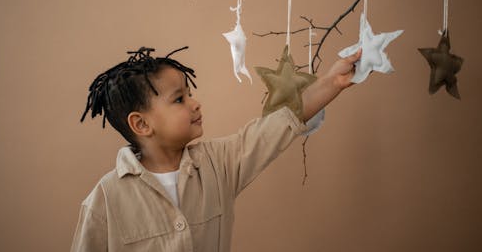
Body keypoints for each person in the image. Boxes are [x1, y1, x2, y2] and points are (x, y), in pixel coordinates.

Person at [71, 46, 361, 252]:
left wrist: (332, 82)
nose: (195, 103)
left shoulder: (217, 163)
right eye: (179, 99)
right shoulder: (105, 199)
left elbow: (275, 128)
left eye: (190, 94)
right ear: (142, 124)